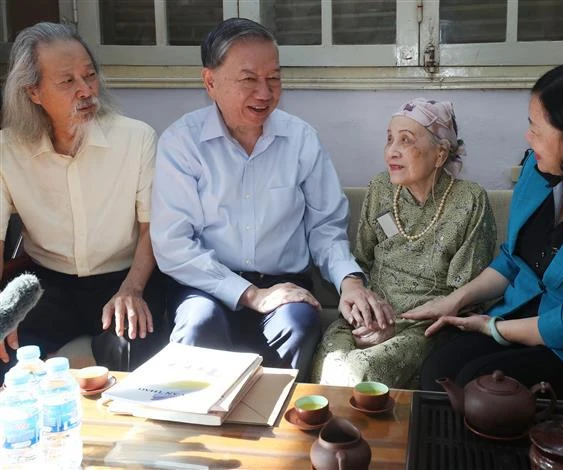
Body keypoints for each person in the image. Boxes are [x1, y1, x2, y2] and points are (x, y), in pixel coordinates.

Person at [405, 60, 563, 404]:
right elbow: (514, 260)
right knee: (439, 368)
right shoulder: (539, 169)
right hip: (525, 317)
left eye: (537, 129)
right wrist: (453, 301)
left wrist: (490, 327)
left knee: (478, 390)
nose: (528, 137)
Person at [150, 18, 389, 381]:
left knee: (297, 323)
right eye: (249, 79)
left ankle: (276, 430)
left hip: (285, 282)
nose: (264, 92)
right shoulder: (182, 143)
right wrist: (252, 294)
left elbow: (325, 227)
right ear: (210, 82)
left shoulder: (301, 139)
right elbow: (173, 245)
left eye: (273, 78)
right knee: (199, 325)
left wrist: (349, 281)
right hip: (208, 285)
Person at [0, 22, 166, 380]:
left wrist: (132, 289)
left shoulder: (136, 139)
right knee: (5, 352)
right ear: (33, 92)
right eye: (67, 81)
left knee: (136, 356)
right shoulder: (7, 149)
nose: (85, 90)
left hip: (124, 277)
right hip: (46, 283)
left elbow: (152, 227)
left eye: (89, 76)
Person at [311, 98, 497, 388]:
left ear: (440, 153)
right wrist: (366, 312)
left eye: (406, 140)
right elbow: (362, 261)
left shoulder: (469, 201)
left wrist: (395, 325)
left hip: (427, 326)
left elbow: (465, 297)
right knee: (331, 362)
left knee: (357, 373)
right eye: (389, 140)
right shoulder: (380, 189)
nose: (391, 152)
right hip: (372, 315)